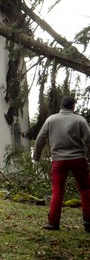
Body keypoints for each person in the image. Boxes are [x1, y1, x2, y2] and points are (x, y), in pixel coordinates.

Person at [33, 95, 90, 232]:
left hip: (58, 160)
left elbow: (40, 138)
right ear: (73, 106)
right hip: (78, 159)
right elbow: (89, 140)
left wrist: (36, 156)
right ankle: (88, 222)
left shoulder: (51, 120)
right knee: (85, 189)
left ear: (61, 106)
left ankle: (53, 223)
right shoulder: (80, 120)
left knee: (57, 191)